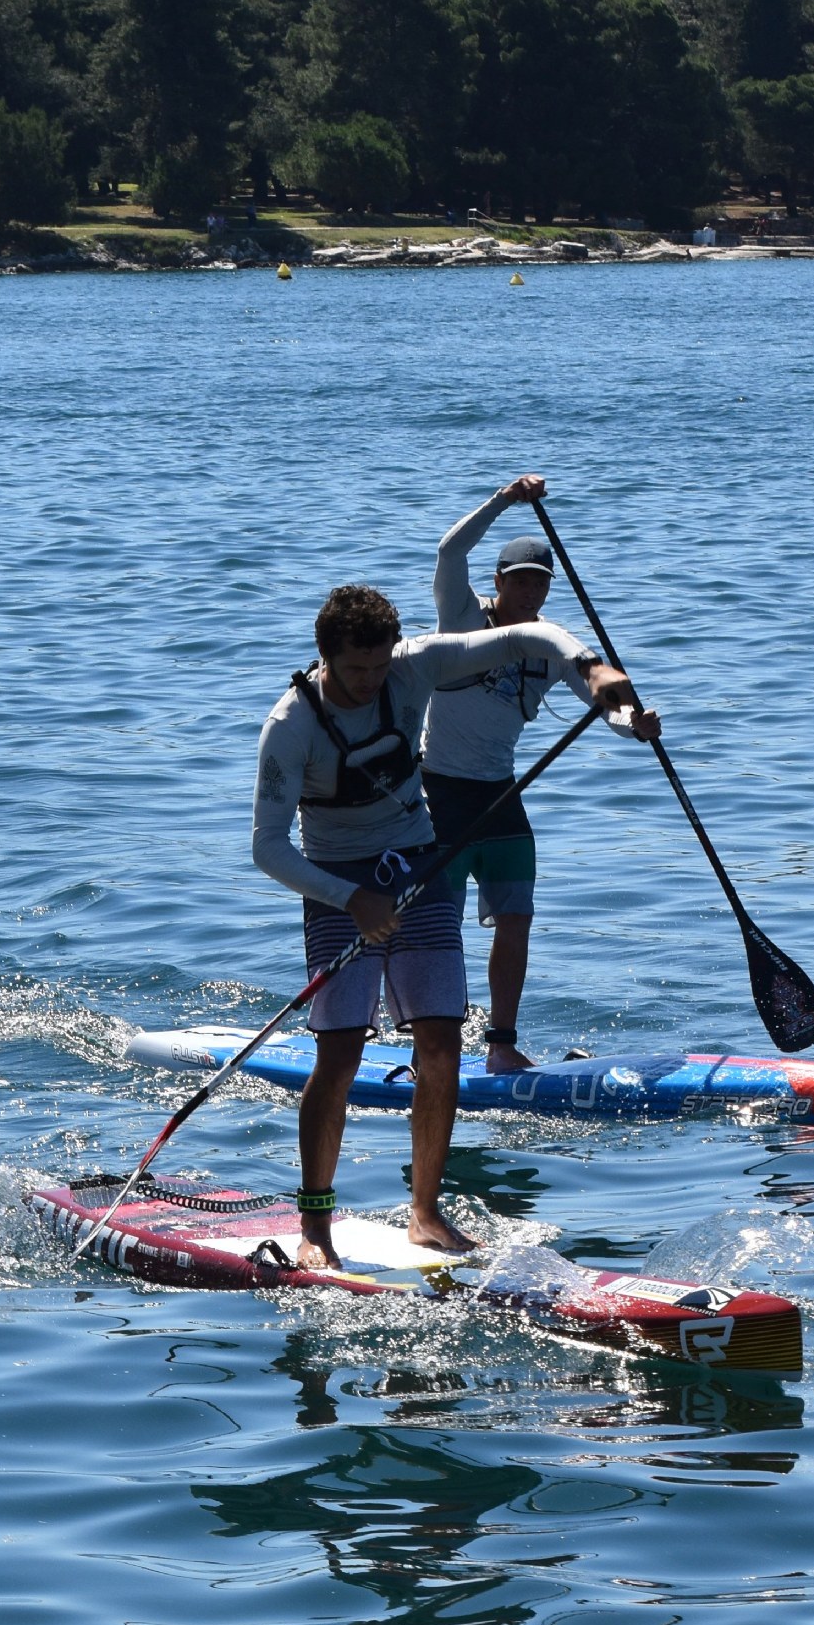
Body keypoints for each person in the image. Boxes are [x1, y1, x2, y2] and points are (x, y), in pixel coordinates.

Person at [255, 582, 650, 1263]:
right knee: (341, 1053)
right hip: (335, 883)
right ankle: (315, 1224)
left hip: (417, 867)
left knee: (440, 1042)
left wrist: (591, 669)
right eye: (355, 670)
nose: (370, 681)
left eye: (379, 667)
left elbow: (528, 638)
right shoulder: (291, 726)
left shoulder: (413, 666)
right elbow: (267, 848)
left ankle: (424, 1212)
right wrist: (348, 898)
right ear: (324, 660)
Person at [427, 473, 609, 1073]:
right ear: (497, 582)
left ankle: (501, 1044)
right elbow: (450, 551)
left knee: (517, 918)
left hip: (501, 793)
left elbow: (599, 696)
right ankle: (434, 1041)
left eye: (540, 583)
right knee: (439, 926)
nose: (531, 592)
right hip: (437, 792)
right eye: (520, 580)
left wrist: (634, 723)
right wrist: (503, 501)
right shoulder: (460, 617)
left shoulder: (550, 642)